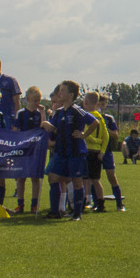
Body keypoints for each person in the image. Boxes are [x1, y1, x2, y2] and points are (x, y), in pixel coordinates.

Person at [41, 80, 95, 221]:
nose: (60, 93)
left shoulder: (77, 110)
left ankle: (77, 213)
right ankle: (55, 211)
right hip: (60, 152)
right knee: (52, 178)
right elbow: (52, 126)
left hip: (75, 152)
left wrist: (84, 135)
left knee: (77, 182)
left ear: (70, 95)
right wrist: (45, 123)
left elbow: (94, 122)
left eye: (63, 90)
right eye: (60, 90)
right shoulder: (59, 112)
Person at [12, 86, 47, 214]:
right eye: (34, 100)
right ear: (27, 99)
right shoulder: (21, 113)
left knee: (35, 177)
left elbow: (44, 127)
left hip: (36, 150)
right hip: (23, 149)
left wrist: (43, 113)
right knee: (21, 178)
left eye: (38, 100)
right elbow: (16, 130)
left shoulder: (39, 113)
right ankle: (20, 204)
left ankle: (34, 205)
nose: (37, 103)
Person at [96, 93, 125, 211]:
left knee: (111, 176)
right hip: (94, 151)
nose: (101, 106)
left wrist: (104, 128)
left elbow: (115, 134)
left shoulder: (109, 118)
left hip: (107, 151)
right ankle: (96, 203)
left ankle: (119, 204)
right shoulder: (91, 117)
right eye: (99, 104)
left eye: (103, 104)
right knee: (94, 178)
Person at [82, 91, 109, 213]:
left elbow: (85, 134)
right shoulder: (100, 117)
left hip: (87, 150)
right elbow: (106, 136)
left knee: (83, 179)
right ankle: (101, 204)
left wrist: (92, 139)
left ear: (85, 102)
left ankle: (82, 203)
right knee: (95, 179)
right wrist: (102, 150)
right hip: (97, 152)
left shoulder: (87, 117)